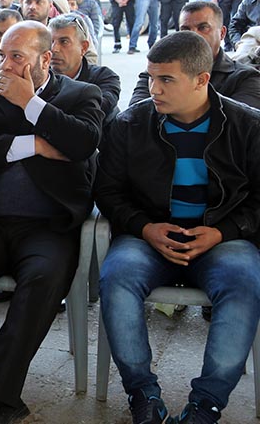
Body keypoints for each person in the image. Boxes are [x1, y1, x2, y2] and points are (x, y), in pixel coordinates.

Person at [0, 21, 103, 423]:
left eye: (17, 57)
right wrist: (36, 145)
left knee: (44, 279)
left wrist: (31, 104)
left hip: (48, 225)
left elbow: (83, 143)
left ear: (45, 58)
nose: (5, 66)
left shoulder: (81, 95)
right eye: (1, 56)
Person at [95, 30, 260, 424]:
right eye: (150, 77)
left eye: (166, 79)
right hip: (148, 237)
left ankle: (206, 405)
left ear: (202, 79)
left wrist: (223, 232)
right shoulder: (130, 124)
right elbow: (108, 192)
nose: (154, 89)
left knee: (243, 281)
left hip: (221, 238)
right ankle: (143, 394)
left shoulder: (248, 126)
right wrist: (145, 228)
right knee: (117, 277)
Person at [132, 1, 260, 110]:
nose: (193, 35)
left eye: (203, 27)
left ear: (222, 33)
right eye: (185, 30)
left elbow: (240, 123)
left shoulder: (245, 78)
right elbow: (134, 119)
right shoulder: (155, 74)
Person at [49, 14, 122, 126]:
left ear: (83, 47)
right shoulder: (37, 78)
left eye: (64, 42)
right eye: (51, 42)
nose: (54, 49)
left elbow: (95, 113)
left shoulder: (104, 78)